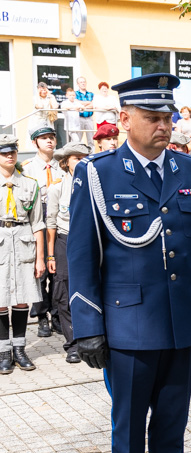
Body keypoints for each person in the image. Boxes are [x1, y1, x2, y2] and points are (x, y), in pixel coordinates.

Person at [67, 73, 191, 453]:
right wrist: (88, 327)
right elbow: (81, 256)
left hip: (180, 321)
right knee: (129, 425)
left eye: (169, 118)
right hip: (128, 325)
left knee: (172, 422)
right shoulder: (97, 174)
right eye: (153, 118)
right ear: (124, 119)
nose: (164, 126)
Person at [0, 135, 46, 374]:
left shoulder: (30, 184)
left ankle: (19, 348)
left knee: (21, 299)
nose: (9, 156)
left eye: (13, 152)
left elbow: (38, 223)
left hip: (24, 241)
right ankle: (3, 351)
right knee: (0, 301)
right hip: (0, 243)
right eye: (4, 152)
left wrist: (40, 258)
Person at [45, 142, 91, 363]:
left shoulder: (93, 186)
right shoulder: (57, 188)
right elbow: (51, 223)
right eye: (76, 158)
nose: (81, 162)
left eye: (84, 157)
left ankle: (90, 338)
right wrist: (51, 255)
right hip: (65, 240)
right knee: (63, 291)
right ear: (65, 162)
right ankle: (72, 344)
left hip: (89, 241)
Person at [21, 121, 61, 338]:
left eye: (52, 137)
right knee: (39, 271)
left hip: (57, 220)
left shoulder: (62, 165)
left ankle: (57, 314)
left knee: (58, 271)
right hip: (35, 220)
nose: (49, 140)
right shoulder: (26, 168)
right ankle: (41, 316)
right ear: (35, 142)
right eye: (44, 137)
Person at [75, 76, 96, 145]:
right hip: (79, 118)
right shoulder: (75, 94)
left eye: (84, 82)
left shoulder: (91, 94)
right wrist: (88, 102)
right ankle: (77, 154)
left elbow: (94, 104)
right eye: (81, 82)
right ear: (78, 84)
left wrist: (82, 106)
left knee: (91, 139)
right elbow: (76, 103)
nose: (83, 83)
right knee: (78, 139)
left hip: (89, 118)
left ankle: (91, 154)